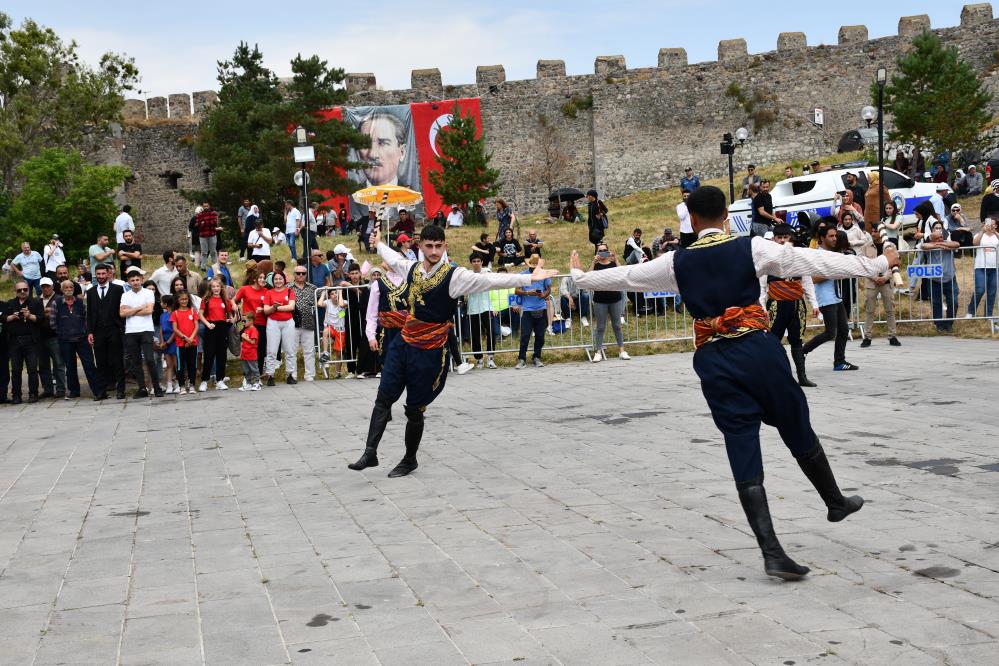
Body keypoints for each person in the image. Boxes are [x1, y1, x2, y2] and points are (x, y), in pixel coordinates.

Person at [569, 186, 898, 580]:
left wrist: (580, 277)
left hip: (713, 360)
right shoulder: (752, 248)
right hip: (757, 350)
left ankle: (772, 551)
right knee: (794, 422)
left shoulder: (676, 262)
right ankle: (833, 500)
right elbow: (810, 260)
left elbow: (626, 276)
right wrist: (876, 263)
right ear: (727, 216)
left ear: (690, 220)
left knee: (740, 441)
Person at [347, 224, 557, 478]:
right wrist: (379, 243)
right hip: (403, 344)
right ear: (420, 246)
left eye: (438, 246)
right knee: (383, 398)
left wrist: (527, 278)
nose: (434, 251)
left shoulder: (454, 276)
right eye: (429, 246)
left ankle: (409, 458)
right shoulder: (412, 268)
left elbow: (487, 280)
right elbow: (394, 258)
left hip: (430, 351)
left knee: (414, 409)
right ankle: (370, 452)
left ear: (444, 246)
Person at [764, 224, 818, 387]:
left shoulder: (799, 258)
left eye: (785, 237)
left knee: (797, 341)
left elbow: (807, 281)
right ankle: (773, 377)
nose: (782, 241)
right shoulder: (767, 259)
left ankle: (802, 376)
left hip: (796, 305)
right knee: (773, 342)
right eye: (779, 237)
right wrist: (761, 307)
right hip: (776, 305)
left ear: (791, 239)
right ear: (774, 239)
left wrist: (814, 303)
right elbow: (761, 286)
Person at [800, 223, 858, 372]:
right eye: (831, 236)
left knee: (844, 330)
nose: (834, 239)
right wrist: (833, 273)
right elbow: (812, 279)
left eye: (835, 236)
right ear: (822, 238)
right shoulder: (816, 255)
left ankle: (839, 361)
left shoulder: (833, 253)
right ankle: (803, 351)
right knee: (831, 332)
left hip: (836, 296)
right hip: (825, 298)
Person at [119, 267, 163, 398]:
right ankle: (142, 388)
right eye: (132, 280)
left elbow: (149, 311)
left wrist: (131, 311)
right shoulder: (125, 295)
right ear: (129, 282)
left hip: (146, 330)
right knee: (136, 361)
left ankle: (157, 387)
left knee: (150, 359)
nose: (136, 282)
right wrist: (139, 307)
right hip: (131, 331)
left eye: (138, 279)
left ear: (142, 280)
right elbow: (122, 313)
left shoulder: (148, 293)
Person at [52, 279, 98, 399]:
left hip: (82, 339)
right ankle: (74, 391)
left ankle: (97, 390)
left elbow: (87, 320)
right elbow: (52, 322)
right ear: (62, 290)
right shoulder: (56, 303)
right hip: (65, 340)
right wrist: (62, 332)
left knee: (89, 365)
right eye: (66, 288)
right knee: (70, 367)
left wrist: (86, 332)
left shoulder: (81, 302)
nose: (68, 289)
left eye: (70, 287)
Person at [86, 264, 126, 400]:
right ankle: (101, 391)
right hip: (98, 331)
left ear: (108, 274)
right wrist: (90, 332)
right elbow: (90, 314)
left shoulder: (118, 289)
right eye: (99, 274)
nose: (101, 276)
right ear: (95, 275)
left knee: (117, 360)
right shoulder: (90, 292)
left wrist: (122, 327)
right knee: (101, 362)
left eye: (103, 274)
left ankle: (121, 390)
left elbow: (123, 309)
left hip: (114, 329)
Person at [588, 243, 629, 363]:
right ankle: (598, 351)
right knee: (600, 327)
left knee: (617, 325)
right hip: (600, 300)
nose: (602, 253)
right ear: (597, 253)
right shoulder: (596, 265)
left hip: (615, 298)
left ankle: (622, 350)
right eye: (600, 251)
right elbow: (588, 276)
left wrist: (616, 259)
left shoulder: (612, 264)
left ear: (608, 251)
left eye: (605, 250)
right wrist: (593, 262)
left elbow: (622, 272)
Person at [4, 280, 43, 403]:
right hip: (14, 341)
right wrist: (11, 317)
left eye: (25, 289)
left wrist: (29, 316)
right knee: (15, 369)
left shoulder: (36, 302)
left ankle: (33, 394)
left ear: (29, 290)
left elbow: (41, 319)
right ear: (15, 291)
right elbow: (3, 318)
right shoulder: (10, 303)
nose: (22, 292)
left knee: (32, 369)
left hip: (31, 340)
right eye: (19, 290)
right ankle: (16, 395)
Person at [364, 262, 409, 368]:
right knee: (390, 368)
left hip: (408, 331)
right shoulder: (378, 284)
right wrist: (371, 336)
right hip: (387, 333)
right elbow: (371, 313)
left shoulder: (409, 280)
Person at [921, 220, 960, 333]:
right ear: (932, 232)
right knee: (936, 302)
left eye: (940, 228)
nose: (938, 230)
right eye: (936, 228)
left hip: (949, 277)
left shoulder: (948, 242)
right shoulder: (929, 243)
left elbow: (957, 244)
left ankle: (949, 324)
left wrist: (944, 244)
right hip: (934, 279)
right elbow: (923, 246)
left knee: (953, 301)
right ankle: (939, 325)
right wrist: (935, 244)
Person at [198, 278, 236, 391]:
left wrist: (231, 319)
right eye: (213, 286)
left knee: (222, 355)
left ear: (221, 288)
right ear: (210, 288)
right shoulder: (206, 299)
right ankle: (204, 381)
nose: (216, 289)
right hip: (211, 327)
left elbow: (231, 314)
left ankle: (220, 380)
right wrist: (207, 324)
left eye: (218, 286)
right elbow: (200, 315)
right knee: (209, 355)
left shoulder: (225, 300)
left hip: (222, 328)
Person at [515, 254, 551, 369]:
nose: (534, 268)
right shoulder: (522, 275)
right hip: (527, 309)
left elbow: (548, 289)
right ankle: (521, 359)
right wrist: (527, 293)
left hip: (541, 307)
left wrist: (543, 295)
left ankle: (537, 357)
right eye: (532, 266)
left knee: (540, 336)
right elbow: (516, 290)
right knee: (525, 335)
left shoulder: (544, 274)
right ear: (529, 265)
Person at [263, 271, 297, 384]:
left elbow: (291, 307)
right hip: (273, 322)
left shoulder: (290, 291)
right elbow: (266, 310)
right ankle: (270, 375)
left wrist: (276, 307)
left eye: (280, 279)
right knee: (271, 350)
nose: (278, 281)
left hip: (288, 322)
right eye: (276, 279)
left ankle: (290, 374)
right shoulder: (269, 293)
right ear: (272, 281)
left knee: (290, 349)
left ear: (284, 280)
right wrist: (274, 308)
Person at [465, 255, 497, 369]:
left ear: (482, 262)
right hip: (473, 308)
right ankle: (478, 359)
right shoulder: (468, 274)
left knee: (491, 332)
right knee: (475, 335)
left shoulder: (486, 271)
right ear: (471, 263)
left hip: (486, 306)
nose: (476, 263)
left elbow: (488, 277)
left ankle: (490, 358)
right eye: (474, 261)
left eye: (478, 261)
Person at [37, 277, 66, 398]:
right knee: (43, 365)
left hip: (55, 336)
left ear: (52, 286)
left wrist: (44, 312)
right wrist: (46, 312)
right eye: (43, 286)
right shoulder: (36, 300)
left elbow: (61, 314)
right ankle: (48, 389)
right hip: (40, 336)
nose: (46, 288)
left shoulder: (59, 299)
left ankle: (60, 389)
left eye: (48, 286)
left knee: (58, 364)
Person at [291, 265, 319, 382]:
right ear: (294, 274)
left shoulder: (313, 288)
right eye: (298, 273)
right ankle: (292, 375)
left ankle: (309, 374)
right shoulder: (288, 288)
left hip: (308, 323)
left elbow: (323, 297)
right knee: (291, 351)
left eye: (303, 273)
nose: (301, 275)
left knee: (309, 351)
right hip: (292, 324)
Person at [967, 218, 999, 318]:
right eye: (989, 224)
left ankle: (988, 314)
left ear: (996, 226)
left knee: (992, 292)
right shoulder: (980, 234)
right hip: (981, 267)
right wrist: (982, 231)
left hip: (994, 268)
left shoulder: (997, 236)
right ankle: (971, 312)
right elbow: (974, 243)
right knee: (980, 290)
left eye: (993, 224)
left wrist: (996, 233)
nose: (990, 226)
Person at [170, 290, 199, 394]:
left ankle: (192, 385)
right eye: (181, 299)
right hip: (181, 344)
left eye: (186, 299)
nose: (184, 301)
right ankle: (182, 386)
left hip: (193, 343)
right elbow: (175, 329)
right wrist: (185, 338)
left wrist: (191, 338)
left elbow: (196, 326)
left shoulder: (192, 311)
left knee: (192, 365)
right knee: (180, 366)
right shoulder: (175, 313)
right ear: (177, 300)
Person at [318, 285, 348, 379]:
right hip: (330, 327)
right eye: (332, 294)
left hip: (340, 329)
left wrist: (340, 293)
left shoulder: (344, 302)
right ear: (329, 296)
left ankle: (338, 372)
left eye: (336, 293)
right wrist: (323, 292)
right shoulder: (328, 302)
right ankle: (325, 352)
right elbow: (319, 304)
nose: (334, 295)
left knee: (339, 352)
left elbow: (342, 305)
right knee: (325, 331)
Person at [158, 294, 178, 394]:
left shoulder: (174, 314)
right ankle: (169, 384)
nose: (160, 303)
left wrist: (168, 342)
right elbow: (161, 329)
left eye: (161, 302)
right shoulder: (162, 315)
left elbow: (175, 330)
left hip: (173, 341)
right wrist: (162, 342)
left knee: (176, 364)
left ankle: (179, 383)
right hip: (165, 341)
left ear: (166, 304)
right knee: (169, 364)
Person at [238, 313, 261, 390]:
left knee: (254, 369)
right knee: (246, 370)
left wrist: (245, 337)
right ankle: (248, 383)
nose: (243, 323)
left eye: (244, 321)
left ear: (251, 321)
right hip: (244, 353)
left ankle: (257, 383)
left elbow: (253, 342)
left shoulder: (253, 330)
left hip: (251, 353)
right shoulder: (246, 329)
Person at [195, 201, 220, 270]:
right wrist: (204, 223)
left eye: (207, 206)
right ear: (202, 207)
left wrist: (204, 222)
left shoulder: (213, 213)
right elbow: (197, 225)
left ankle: (215, 266)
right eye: (204, 206)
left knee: (213, 251)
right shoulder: (199, 215)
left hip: (212, 234)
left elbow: (215, 223)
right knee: (204, 252)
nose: (205, 207)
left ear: (209, 206)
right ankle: (203, 267)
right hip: (203, 235)